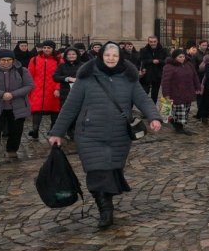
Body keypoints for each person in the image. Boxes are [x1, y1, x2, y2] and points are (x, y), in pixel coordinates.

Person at [48, 42, 163, 229]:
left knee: (111, 170)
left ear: (120, 57)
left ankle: (106, 202)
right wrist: (57, 132)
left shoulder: (129, 78)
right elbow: (70, 106)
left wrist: (154, 117)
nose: (111, 58)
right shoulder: (85, 77)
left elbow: (143, 99)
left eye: (115, 56)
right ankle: (105, 210)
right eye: (108, 55)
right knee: (97, 171)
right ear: (101, 55)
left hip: (119, 134)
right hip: (89, 134)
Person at [26, 40, 61, 140]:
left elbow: (61, 76)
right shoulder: (34, 59)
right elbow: (30, 75)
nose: (46, 49)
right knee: (37, 111)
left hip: (53, 89)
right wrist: (29, 88)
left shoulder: (59, 60)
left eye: (49, 48)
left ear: (53, 49)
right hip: (37, 89)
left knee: (55, 111)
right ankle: (35, 131)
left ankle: (53, 131)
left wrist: (58, 88)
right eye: (44, 47)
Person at [161, 48, 201, 134]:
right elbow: (165, 82)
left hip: (188, 91)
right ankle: (179, 127)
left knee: (186, 109)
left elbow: (195, 76)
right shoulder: (169, 67)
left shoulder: (189, 64)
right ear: (175, 58)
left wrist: (198, 87)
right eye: (180, 57)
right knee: (179, 110)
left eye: (183, 56)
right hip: (176, 92)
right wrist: (166, 94)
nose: (182, 58)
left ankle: (177, 124)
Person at [52, 46, 82, 140]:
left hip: (80, 93)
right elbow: (55, 77)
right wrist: (67, 78)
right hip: (66, 93)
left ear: (77, 55)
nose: (71, 56)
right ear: (66, 56)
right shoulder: (62, 65)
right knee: (67, 113)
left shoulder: (83, 65)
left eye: (73, 54)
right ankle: (69, 131)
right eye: (69, 54)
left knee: (79, 113)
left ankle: (76, 131)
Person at [139, 36, 168, 102]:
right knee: (144, 93)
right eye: (151, 42)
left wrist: (159, 61)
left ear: (157, 42)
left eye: (154, 41)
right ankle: (144, 107)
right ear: (148, 42)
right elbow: (141, 61)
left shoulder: (163, 50)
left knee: (154, 94)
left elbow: (166, 60)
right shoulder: (143, 50)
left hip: (157, 75)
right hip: (146, 75)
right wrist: (151, 61)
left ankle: (153, 108)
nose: (153, 43)